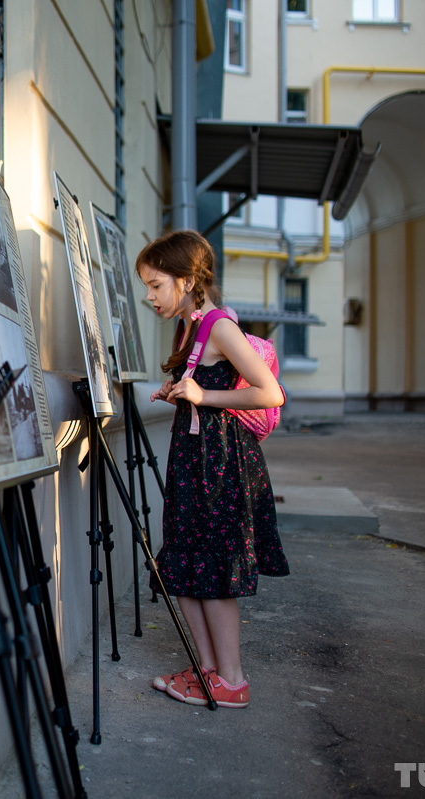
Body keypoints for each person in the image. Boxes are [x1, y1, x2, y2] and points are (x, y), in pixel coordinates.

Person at [136, 229, 289, 709]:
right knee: (185, 562)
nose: (149, 296)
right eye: (147, 286)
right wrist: (179, 393)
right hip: (195, 460)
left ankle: (233, 680)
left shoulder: (219, 325)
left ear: (186, 280)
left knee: (215, 566)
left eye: (156, 285)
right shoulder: (189, 327)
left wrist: (203, 395)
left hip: (221, 465)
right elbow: (202, 390)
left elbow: (270, 393)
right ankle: (209, 672)